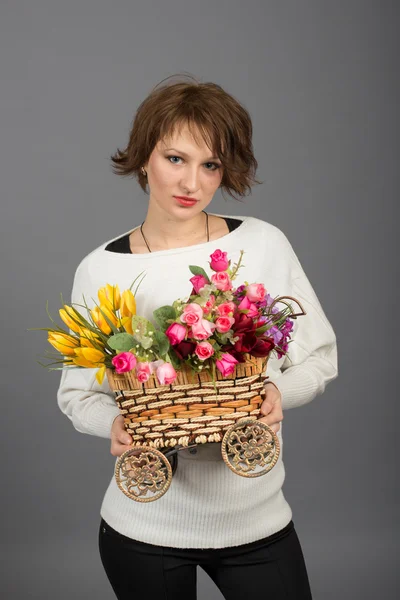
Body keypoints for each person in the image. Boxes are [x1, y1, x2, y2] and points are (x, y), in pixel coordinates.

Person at [57, 75, 338, 600]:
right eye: (175, 159)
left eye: (210, 164)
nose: (191, 182)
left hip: (256, 522)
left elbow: (318, 359)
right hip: (143, 526)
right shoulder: (99, 270)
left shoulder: (262, 244)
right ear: (144, 158)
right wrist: (114, 423)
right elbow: (76, 395)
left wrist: (280, 393)